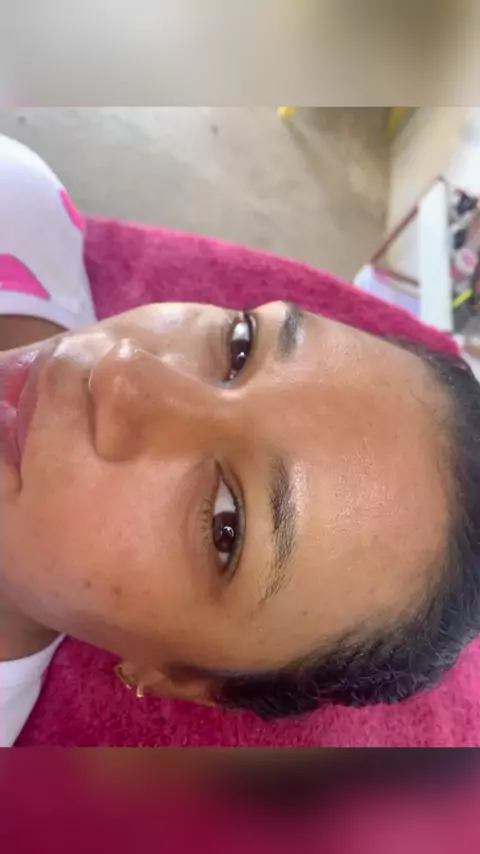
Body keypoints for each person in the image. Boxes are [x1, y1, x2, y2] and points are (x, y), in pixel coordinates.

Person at [1, 135, 480, 747]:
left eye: (225, 525)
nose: (122, 375)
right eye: (241, 347)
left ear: (178, 674)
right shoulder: (17, 200)